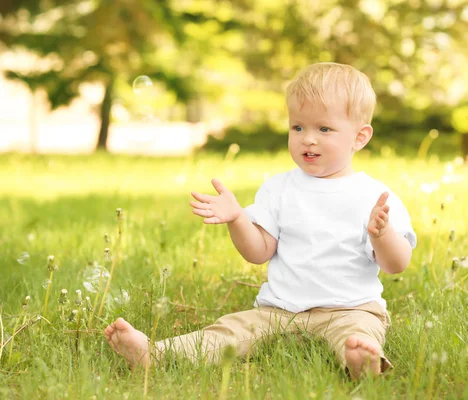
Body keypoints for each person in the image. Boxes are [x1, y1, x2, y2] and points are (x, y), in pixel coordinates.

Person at [104, 62, 417, 380]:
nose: (308, 139)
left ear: (359, 137)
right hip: (279, 310)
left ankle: (362, 361)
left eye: (324, 129)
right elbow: (258, 251)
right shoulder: (279, 188)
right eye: (298, 128)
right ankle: (155, 353)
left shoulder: (374, 196)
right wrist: (238, 218)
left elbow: (396, 263)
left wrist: (382, 235)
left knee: (358, 334)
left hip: (350, 308)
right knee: (230, 330)